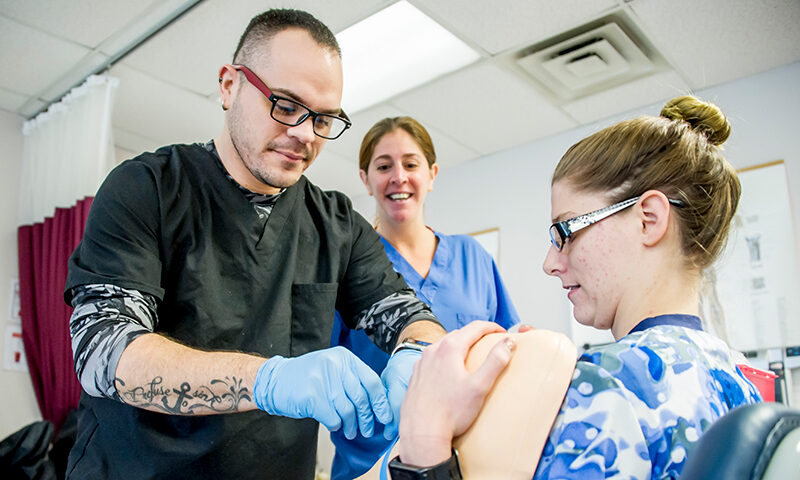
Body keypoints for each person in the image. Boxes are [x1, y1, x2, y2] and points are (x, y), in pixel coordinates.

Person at [63, 9, 447, 480]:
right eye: (285, 105)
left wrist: (417, 353)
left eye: (324, 118)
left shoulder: (337, 224)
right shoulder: (147, 189)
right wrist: (268, 381)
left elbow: (411, 317)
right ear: (229, 86)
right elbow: (105, 352)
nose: (305, 134)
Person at [387, 96, 762, 478]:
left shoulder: (606, 385)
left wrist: (426, 445)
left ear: (648, 220)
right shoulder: (741, 382)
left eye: (566, 230)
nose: (550, 263)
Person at [328, 117, 520, 478]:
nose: (398, 176)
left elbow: (505, 345)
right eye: (383, 166)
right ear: (365, 179)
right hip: (372, 466)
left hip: (470, 459)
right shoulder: (348, 268)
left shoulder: (471, 256)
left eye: (411, 164)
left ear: (431, 174)